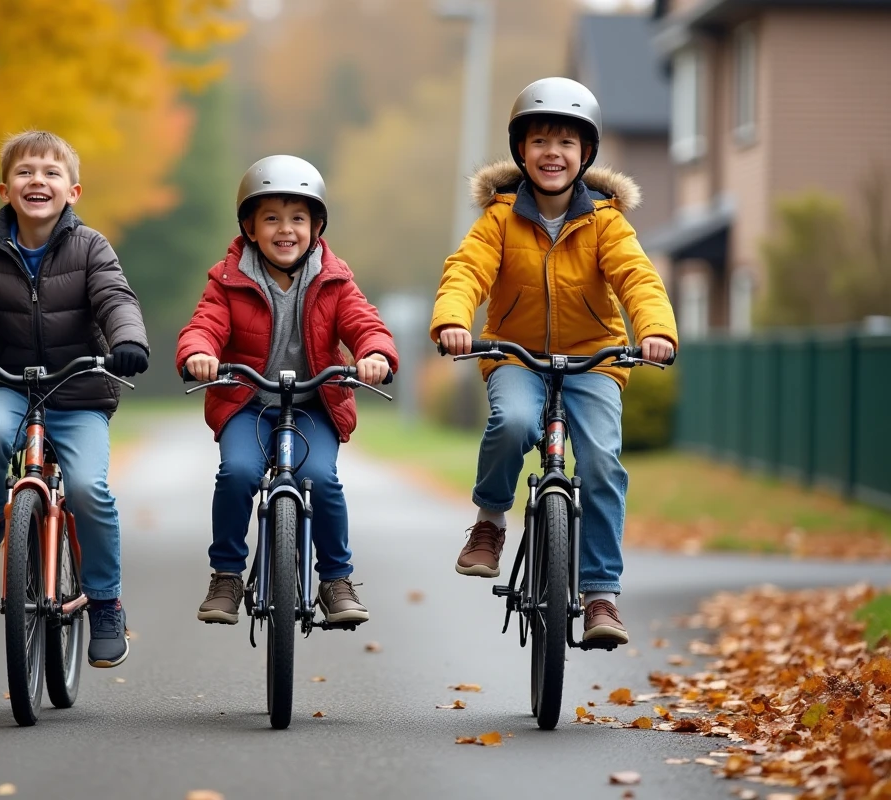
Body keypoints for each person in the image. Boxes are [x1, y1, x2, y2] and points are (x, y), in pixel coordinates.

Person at [430, 78, 678, 643]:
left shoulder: (606, 222)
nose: (552, 153)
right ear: (522, 151)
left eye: (566, 143)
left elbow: (638, 278)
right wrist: (453, 321)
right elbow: (466, 271)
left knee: (602, 465)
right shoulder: (498, 219)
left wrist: (656, 331)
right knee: (513, 421)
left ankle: (600, 596)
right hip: (515, 356)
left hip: (593, 361)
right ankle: (490, 522)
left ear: (585, 155)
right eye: (540, 141)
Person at [0, 130, 149, 668]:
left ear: (73, 191)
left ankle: (105, 603)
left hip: (79, 390)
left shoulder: (91, 247)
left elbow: (115, 297)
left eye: (50, 173)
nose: (37, 180)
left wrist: (128, 342)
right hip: (11, 384)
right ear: (5, 190)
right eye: (25, 172)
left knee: (90, 489)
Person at [176, 155, 399, 627]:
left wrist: (375, 354)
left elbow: (365, 324)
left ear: (316, 227)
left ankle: (336, 580)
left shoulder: (335, 279)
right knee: (236, 473)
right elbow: (205, 325)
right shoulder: (228, 279)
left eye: (298, 218)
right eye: (271, 218)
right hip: (248, 402)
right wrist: (199, 353)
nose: (285, 229)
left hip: (314, 406)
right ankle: (227, 575)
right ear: (250, 228)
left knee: (322, 478)